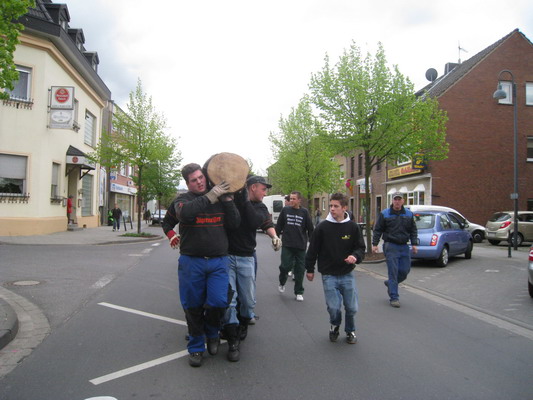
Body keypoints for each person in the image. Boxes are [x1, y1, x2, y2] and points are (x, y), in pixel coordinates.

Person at [163, 163, 240, 367]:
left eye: (200, 177)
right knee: (193, 307)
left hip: (218, 261)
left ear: (205, 176)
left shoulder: (220, 198)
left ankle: (212, 333)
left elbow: (234, 224)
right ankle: (196, 347)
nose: (199, 182)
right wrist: (171, 234)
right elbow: (182, 215)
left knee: (219, 302)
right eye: (194, 180)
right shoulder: (182, 200)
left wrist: (228, 200)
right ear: (187, 183)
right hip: (191, 262)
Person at [223, 175, 281, 361]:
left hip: (246, 258)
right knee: (230, 300)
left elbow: (259, 222)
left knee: (248, 302)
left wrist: (274, 236)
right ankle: (233, 339)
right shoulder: (234, 201)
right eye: (263, 189)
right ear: (253, 187)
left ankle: (244, 322)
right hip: (227, 257)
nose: (265, 193)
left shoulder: (259, 207)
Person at [305, 193, 365, 344]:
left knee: (352, 307)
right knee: (333, 307)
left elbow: (360, 248)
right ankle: (334, 325)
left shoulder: (353, 227)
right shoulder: (322, 227)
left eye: (335, 206)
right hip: (329, 274)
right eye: (330, 206)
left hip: (347, 273)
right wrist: (310, 269)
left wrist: (355, 256)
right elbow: (312, 249)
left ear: (344, 208)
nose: (332, 209)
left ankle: (350, 330)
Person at [372, 191, 418, 308]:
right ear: (392, 201)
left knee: (404, 271)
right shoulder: (385, 214)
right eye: (395, 199)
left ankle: (390, 284)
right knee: (393, 271)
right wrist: (375, 244)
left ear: (403, 201)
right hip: (391, 245)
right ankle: (394, 297)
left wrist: (414, 244)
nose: (397, 201)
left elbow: (413, 230)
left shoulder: (409, 214)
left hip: (404, 246)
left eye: (399, 199)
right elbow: (378, 229)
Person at [276, 191, 314, 301]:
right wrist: (275, 238)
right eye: (290, 199)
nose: (291, 201)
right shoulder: (285, 210)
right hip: (287, 244)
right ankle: (282, 282)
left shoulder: (304, 212)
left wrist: (312, 243)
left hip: (300, 246)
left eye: (293, 199)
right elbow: (279, 226)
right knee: (285, 266)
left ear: (299, 200)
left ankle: (299, 292)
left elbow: (310, 229)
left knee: (300, 270)